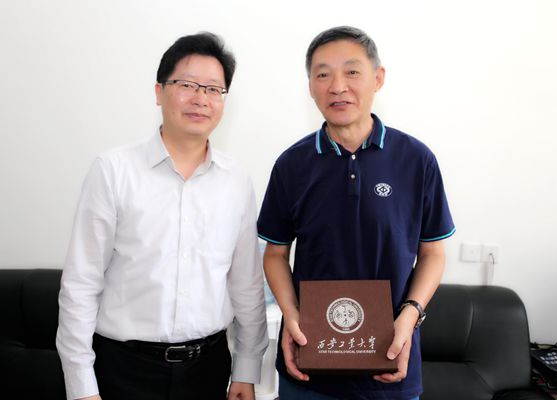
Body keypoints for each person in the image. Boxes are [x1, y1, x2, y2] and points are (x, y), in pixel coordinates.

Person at [57, 32, 268, 400]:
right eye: (187, 85)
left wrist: (246, 370)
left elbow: (246, 284)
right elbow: (81, 284)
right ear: (159, 91)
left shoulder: (236, 181)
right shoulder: (113, 171)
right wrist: (81, 386)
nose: (201, 98)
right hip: (124, 370)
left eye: (213, 89)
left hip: (208, 368)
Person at [257, 26, 455, 400]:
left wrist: (410, 315)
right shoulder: (292, 165)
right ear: (310, 86)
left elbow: (432, 252)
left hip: (390, 366)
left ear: (377, 78)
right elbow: (275, 254)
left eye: (352, 72)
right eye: (323, 75)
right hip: (308, 366)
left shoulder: (416, 160)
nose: (337, 86)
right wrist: (291, 314)